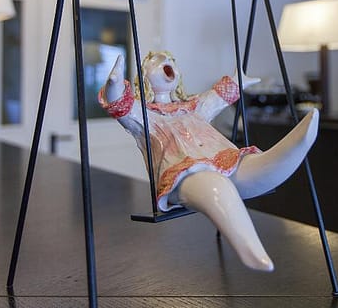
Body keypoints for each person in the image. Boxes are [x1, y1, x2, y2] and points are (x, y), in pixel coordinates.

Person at [99, 50, 319, 271]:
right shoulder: (145, 115)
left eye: (171, 61)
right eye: (157, 62)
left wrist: (237, 82)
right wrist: (114, 84)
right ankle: (251, 251)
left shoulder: (192, 106)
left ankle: (292, 148)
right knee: (215, 185)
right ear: (144, 76)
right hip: (181, 176)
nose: (166, 63)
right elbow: (121, 106)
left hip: (222, 162)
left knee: (252, 166)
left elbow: (216, 98)